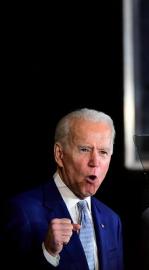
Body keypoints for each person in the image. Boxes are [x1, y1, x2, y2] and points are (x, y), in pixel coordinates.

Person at [1, 108, 124, 270]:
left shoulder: (111, 219)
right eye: (85, 149)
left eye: (103, 152)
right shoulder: (22, 210)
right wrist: (49, 253)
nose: (95, 162)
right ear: (59, 155)